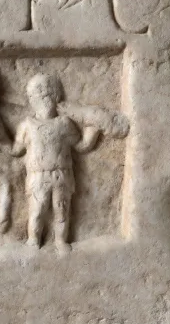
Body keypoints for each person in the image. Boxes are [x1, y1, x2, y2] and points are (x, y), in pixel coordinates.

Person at [12, 73, 103, 255]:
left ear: (55, 96)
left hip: (61, 175)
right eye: (35, 95)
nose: (40, 99)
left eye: (44, 94)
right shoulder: (27, 125)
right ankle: (33, 240)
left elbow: (81, 146)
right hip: (38, 176)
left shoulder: (64, 123)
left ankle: (60, 241)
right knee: (37, 211)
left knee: (61, 210)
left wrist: (93, 131)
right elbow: (16, 150)